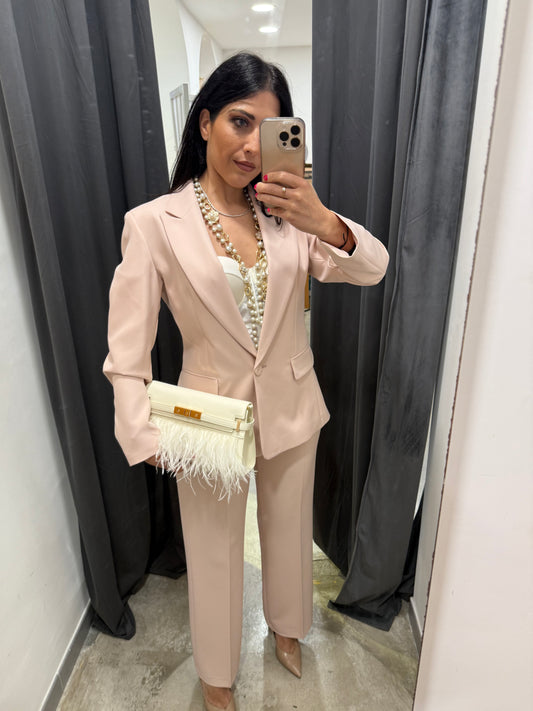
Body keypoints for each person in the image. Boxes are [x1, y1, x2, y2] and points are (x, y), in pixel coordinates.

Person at [103, 52, 388, 711]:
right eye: (238, 122)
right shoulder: (154, 223)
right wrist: (140, 430)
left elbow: (372, 268)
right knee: (212, 554)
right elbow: (127, 344)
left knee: (288, 532)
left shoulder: (288, 215)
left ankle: (287, 628)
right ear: (204, 123)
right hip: (205, 420)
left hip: (292, 403)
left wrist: (323, 219)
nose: (251, 145)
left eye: (268, 130)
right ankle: (216, 673)